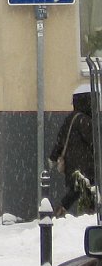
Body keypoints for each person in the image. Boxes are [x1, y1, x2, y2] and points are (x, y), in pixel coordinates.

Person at [50, 84, 95, 217]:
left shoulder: (71, 118)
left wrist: (53, 156)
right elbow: (93, 140)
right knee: (84, 187)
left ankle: (67, 210)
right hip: (85, 164)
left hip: (73, 164)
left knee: (79, 189)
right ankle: (64, 210)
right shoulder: (84, 120)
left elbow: (60, 139)